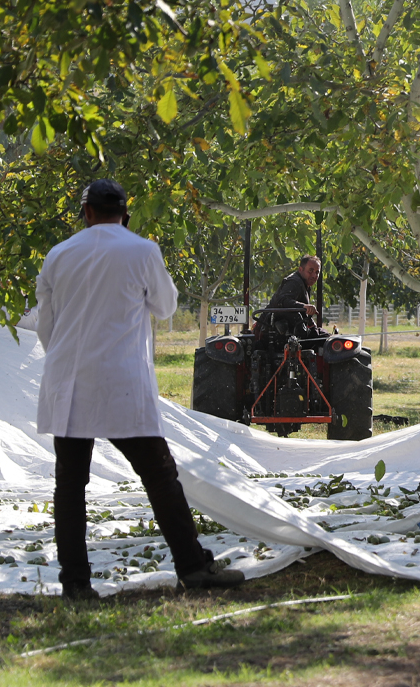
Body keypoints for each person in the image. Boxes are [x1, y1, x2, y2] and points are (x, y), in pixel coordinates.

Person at [35, 179, 242, 599]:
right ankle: (192, 567)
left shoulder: (58, 255)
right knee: (160, 477)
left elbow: (47, 327)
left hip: (70, 383)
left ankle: (75, 583)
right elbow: (165, 307)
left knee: (70, 486)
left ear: (87, 212)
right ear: (124, 214)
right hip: (121, 383)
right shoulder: (143, 250)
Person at [255, 255, 321, 335]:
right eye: (310, 270)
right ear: (301, 269)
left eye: (317, 272)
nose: (314, 276)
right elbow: (281, 301)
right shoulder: (294, 282)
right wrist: (304, 307)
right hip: (269, 331)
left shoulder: (305, 284)